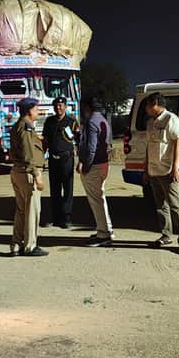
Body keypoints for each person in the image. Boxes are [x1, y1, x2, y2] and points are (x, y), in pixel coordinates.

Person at [143, 92, 179, 254]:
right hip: (154, 170)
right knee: (160, 206)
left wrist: (176, 166)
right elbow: (149, 146)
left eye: (147, 105)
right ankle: (166, 234)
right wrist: (145, 169)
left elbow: (177, 141)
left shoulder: (171, 119)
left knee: (175, 206)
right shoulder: (151, 122)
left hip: (168, 170)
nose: (146, 108)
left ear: (155, 103)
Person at [9, 97, 48, 257]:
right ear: (29, 111)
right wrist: (37, 175)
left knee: (21, 211)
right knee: (32, 210)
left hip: (18, 171)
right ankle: (30, 246)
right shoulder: (26, 128)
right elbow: (28, 154)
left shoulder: (19, 126)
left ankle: (16, 244)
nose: (38, 111)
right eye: (36, 109)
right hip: (28, 173)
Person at [77, 95, 114, 246]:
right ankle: (105, 229)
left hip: (95, 165)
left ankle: (103, 234)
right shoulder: (103, 120)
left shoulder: (92, 122)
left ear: (87, 108)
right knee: (100, 198)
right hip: (103, 163)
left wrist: (86, 166)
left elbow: (91, 148)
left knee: (96, 201)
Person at [42, 96, 78, 229]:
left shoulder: (71, 122)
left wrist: (79, 157)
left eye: (61, 105)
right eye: (56, 105)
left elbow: (78, 139)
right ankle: (56, 218)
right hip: (53, 159)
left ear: (65, 107)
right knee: (55, 189)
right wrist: (43, 156)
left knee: (68, 188)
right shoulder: (49, 121)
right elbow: (45, 140)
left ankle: (66, 218)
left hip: (66, 158)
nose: (58, 108)